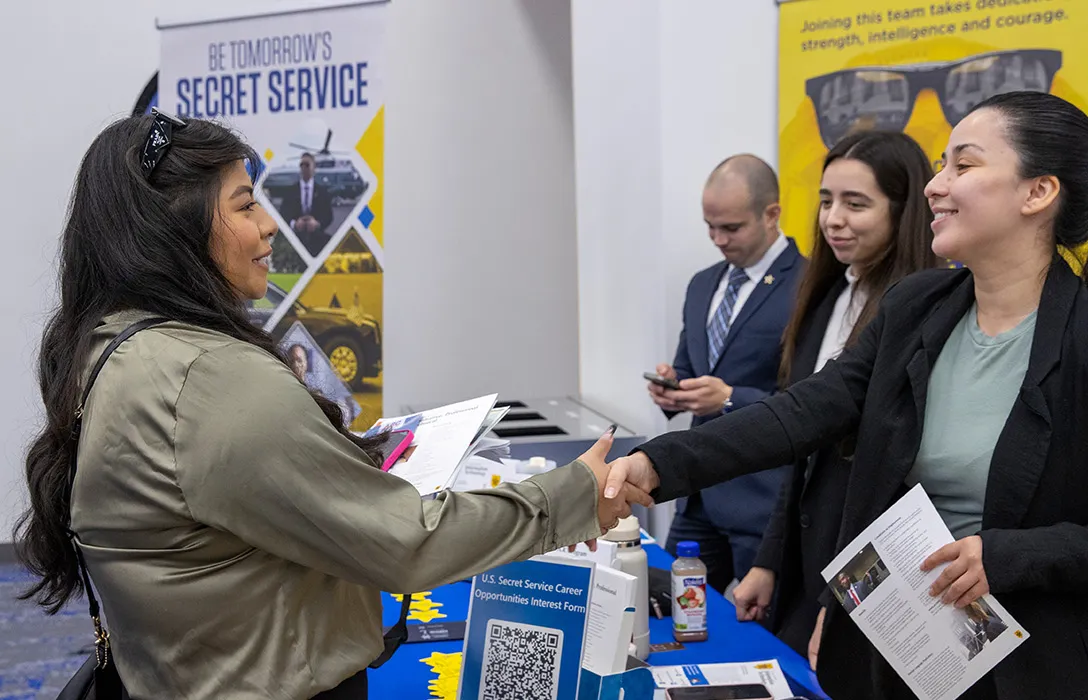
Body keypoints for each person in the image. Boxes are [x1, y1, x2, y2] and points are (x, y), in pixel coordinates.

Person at [604, 91, 1088, 700]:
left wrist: (1013, 557)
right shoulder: (916, 308)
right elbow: (802, 412)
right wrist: (657, 465)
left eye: (964, 165)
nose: (935, 186)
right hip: (911, 657)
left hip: (1053, 670)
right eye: (939, 166)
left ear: (1038, 193)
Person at [13, 112, 648, 700]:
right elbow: (408, 545)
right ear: (177, 228)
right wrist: (573, 496)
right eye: (246, 205)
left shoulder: (108, 347)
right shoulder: (210, 380)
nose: (268, 225)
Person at [730, 131, 937, 656]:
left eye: (856, 203)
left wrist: (843, 600)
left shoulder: (924, 313)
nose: (833, 219)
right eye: (826, 201)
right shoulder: (826, 297)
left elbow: (894, 482)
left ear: (904, 209)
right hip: (808, 561)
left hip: (869, 577)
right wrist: (769, 560)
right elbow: (800, 445)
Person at [647, 154, 806, 594]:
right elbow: (690, 367)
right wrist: (671, 387)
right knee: (664, 606)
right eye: (709, 227)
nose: (718, 239)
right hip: (699, 489)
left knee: (759, 633)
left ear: (771, 214)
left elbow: (812, 400)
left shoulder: (808, 285)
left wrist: (731, 399)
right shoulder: (702, 284)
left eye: (731, 228)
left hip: (763, 498)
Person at [278, 152, 334, 256]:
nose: (303, 168)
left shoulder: (323, 192)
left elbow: (329, 216)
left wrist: (317, 224)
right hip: (295, 237)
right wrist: (294, 224)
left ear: (314, 167)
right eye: (301, 165)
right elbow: (283, 213)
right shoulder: (291, 191)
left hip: (317, 237)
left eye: (307, 165)